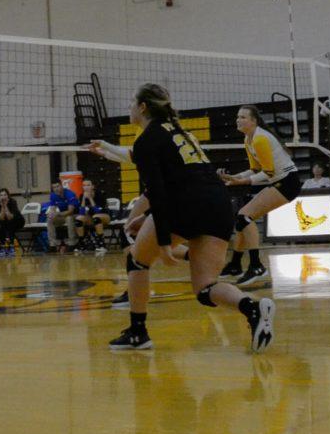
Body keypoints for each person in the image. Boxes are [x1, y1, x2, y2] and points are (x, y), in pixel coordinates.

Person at [109, 84, 274, 353]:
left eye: (131, 102)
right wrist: (151, 222)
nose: (128, 107)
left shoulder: (146, 140)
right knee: (205, 287)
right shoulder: (182, 132)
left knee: (137, 259)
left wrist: (162, 239)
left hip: (184, 204)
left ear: (143, 107)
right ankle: (252, 307)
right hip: (219, 204)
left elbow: (158, 193)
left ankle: (138, 332)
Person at [215, 105, 301, 288]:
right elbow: (255, 169)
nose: (238, 120)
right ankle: (235, 265)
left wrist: (243, 182)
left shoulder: (260, 138)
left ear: (254, 121)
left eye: (243, 117)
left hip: (288, 182)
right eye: (238, 117)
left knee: (244, 217)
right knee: (241, 220)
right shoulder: (248, 139)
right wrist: (235, 177)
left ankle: (256, 266)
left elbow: (268, 172)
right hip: (279, 181)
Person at [74, 179, 110, 254]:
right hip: (91, 217)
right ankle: (81, 243)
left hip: (104, 216)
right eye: (84, 185)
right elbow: (81, 212)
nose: (86, 187)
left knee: (96, 217)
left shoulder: (99, 194)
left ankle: (102, 244)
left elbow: (98, 211)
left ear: (93, 186)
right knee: (78, 219)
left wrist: (90, 198)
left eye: (88, 185)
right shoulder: (81, 196)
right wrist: (84, 199)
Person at [42, 179, 78, 253]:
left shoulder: (69, 194)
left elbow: (70, 211)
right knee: (50, 219)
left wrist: (58, 214)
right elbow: (53, 208)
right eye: (54, 187)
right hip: (62, 215)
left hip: (74, 215)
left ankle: (72, 244)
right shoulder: (53, 195)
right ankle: (53, 244)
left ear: (62, 186)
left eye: (57, 186)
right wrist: (51, 214)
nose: (56, 189)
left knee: (69, 218)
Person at [0, 188, 24, 255]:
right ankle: (4, 247)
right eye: (1, 195)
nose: (3, 197)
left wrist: (5, 206)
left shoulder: (12, 202)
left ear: (8, 196)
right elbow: (1, 218)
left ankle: (10, 247)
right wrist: (2, 206)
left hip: (17, 221)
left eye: (5, 195)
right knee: (2, 226)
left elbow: (10, 217)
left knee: (8, 225)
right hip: (6, 222)